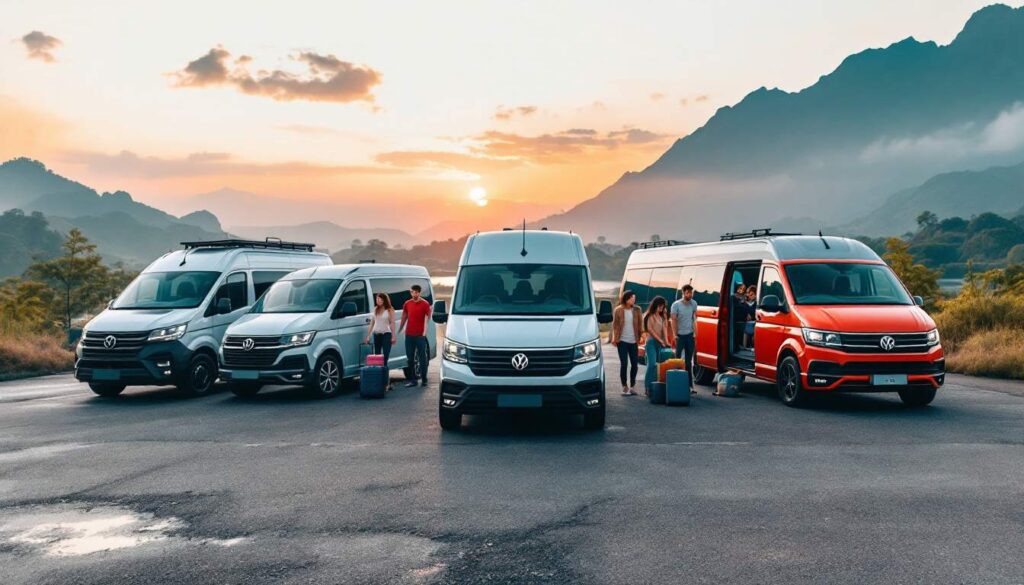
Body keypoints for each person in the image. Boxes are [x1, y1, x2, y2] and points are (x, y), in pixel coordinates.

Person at [398, 284, 432, 387]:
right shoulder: (407, 303)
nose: (414, 294)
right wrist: (399, 330)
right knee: (410, 358)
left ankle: (424, 379)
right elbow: (404, 317)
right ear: (410, 292)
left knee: (422, 358)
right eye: (412, 292)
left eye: (416, 292)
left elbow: (427, 319)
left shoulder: (425, 304)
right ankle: (413, 380)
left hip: (420, 336)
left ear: (419, 292)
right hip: (409, 335)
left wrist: (424, 333)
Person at [610, 290, 642, 396]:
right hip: (622, 341)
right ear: (626, 298)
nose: (634, 299)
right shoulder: (618, 310)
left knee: (635, 364)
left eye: (634, 298)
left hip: (633, 341)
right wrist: (615, 339)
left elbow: (640, 325)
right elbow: (615, 325)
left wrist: (641, 337)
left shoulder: (637, 310)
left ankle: (632, 386)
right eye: (632, 298)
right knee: (624, 364)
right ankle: (624, 386)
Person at [670, 284, 698, 394]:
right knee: (677, 360)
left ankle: (690, 386)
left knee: (688, 362)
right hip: (680, 336)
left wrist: (695, 333)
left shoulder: (694, 304)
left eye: (691, 293)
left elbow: (695, 319)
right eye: (688, 293)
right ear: (683, 293)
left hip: (690, 335)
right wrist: (674, 334)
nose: (690, 295)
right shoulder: (676, 305)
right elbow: (673, 320)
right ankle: (676, 383)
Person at [642, 296, 671, 396]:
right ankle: (647, 388)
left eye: (663, 307)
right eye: (660, 306)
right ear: (655, 305)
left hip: (661, 343)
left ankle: (656, 388)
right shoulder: (650, 316)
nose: (661, 308)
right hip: (651, 342)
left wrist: (666, 342)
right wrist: (660, 340)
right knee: (652, 365)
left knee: (660, 366)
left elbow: (665, 330)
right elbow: (650, 330)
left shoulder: (662, 317)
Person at [364, 292, 397, 366]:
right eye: (377, 299)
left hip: (386, 334)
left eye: (380, 299)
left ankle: (384, 372)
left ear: (384, 300)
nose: (378, 300)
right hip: (376, 334)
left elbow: (392, 323)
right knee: (377, 356)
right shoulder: (375, 309)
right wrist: (368, 336)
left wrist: (393, 336)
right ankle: (379, 374)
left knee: (385, 356)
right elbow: (372, 323)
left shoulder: (390, 310)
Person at [731, 282, 747, 351]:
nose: (742, 290)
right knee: (737, 333)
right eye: (741, 288)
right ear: (737, 288)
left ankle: (741, 345)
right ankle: (736, 346)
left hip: (743, 318)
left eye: (744, 289)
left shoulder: (744, 297)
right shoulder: (734, 297)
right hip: (736, 318)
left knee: (742, 332)